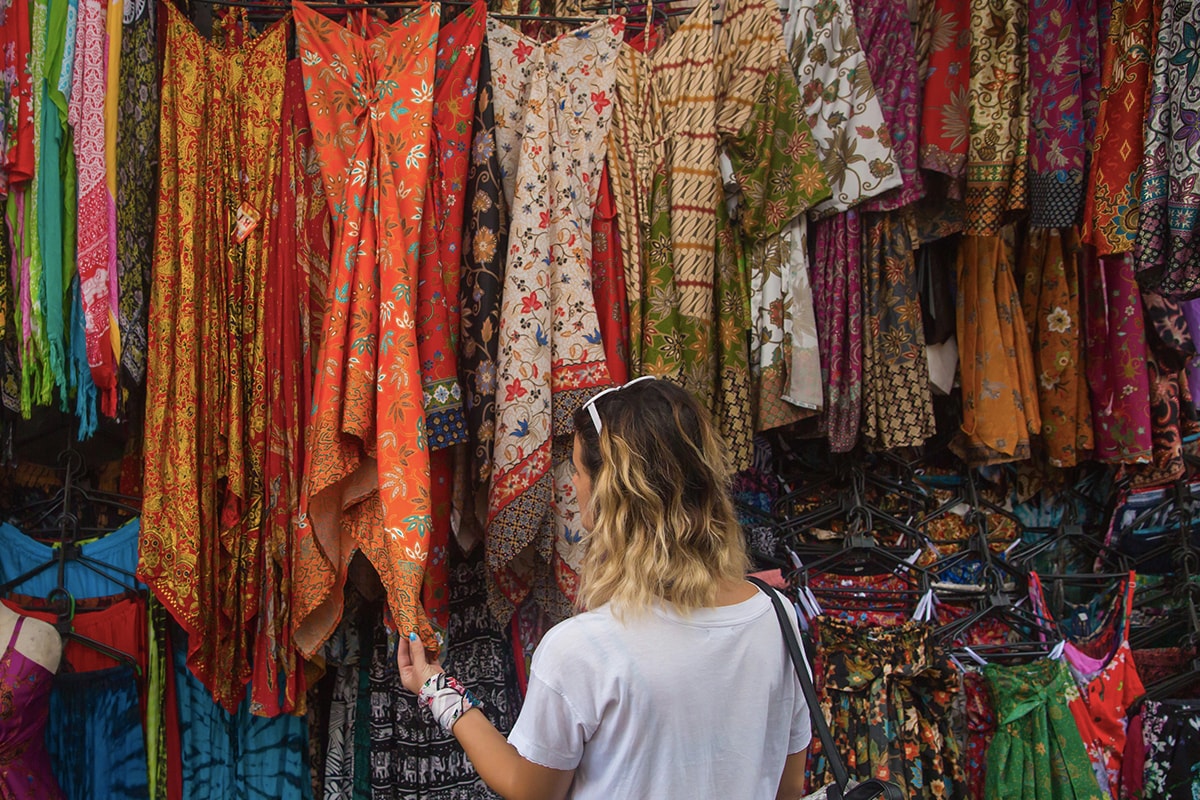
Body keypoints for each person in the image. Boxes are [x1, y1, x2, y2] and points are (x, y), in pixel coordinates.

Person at [397, 376, 812, 800]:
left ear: (610, 491)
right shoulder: (778, 618)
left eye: (576, 469)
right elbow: (787, 787)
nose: (572, 484)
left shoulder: (582, 650)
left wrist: (435, 687)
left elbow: (529, 789)